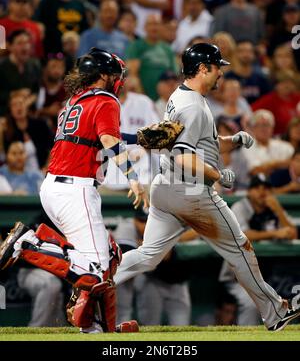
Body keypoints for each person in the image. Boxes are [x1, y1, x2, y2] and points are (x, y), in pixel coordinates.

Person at [113, 43, 300, 331]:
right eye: (216, 68)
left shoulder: (180, 95)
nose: (220, 74)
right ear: (203, 69)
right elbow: (185, 156)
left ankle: (95, 283)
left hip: (164, 188)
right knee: (241, 249)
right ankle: (274, 311)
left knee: (149, 255)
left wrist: (230, 141)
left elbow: (189, 140)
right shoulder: (193, 107)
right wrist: (218, 174)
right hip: (192, 192)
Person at [0, 48, 149, 334]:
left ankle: (97, 328)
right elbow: (108, 139)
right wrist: (133, 177)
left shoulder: (73, 101)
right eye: (115, 75)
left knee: (108, 257)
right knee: (95, 271)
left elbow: (97, 135)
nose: (119, 81)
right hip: (75, 188)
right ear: (103, 76)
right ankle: (29, 243)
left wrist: (139, 137)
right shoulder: (106, 99)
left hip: (57, 185)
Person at [219, 174, 297, 325]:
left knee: (290, 299)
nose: (262, 192)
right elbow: (243, 234)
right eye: (257, 188)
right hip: (237, 278)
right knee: (251, 303)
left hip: (269, 277)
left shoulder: (273, 208)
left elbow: (292, 232)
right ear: (249, 191)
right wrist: (274, 233)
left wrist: (279, 210)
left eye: (266, 188)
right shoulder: (240, 207)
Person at [115, 207, 192, 326]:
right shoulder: (127, 227)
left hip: (176, 278)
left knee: (181, 324)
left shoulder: (166, 224)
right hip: (148, 279)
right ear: (134, 219)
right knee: (149, 322)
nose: (145, 226)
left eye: (148, 221)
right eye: (142, 221)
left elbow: (166, 256)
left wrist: (144, 246)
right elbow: (125, 263)